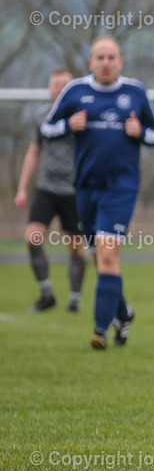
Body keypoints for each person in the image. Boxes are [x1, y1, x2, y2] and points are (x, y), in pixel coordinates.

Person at [41, 36, 154, 349]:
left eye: (112, 57)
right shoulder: (75, 91)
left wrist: (142, 134)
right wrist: (70, 124)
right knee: (100, 260)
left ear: (120, 62)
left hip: (121, 187)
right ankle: (123, 313)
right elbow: (47, 128)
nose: (106, 63)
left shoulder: (135, 92)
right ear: (90, 63)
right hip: (86, 188)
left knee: (108, 255)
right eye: (100, 57)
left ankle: (101, 329)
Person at [15, 69, 88, 313]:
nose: (60, 88)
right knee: (32, 237)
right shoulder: (41, 116)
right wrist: (22, 188)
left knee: (76, 248)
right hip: (47, 188)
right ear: (49, 88)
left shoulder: (84, 116)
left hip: (75, 190)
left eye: (65, 84)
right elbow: (34, 151)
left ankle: (75, 300)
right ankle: (46, 295)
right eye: (56, 84)